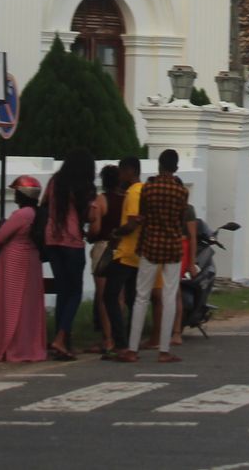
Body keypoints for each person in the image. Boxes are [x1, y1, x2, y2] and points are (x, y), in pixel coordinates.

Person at [119, 149, 192, 363]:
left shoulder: (148, 189)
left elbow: (142, 216)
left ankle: (132, 350)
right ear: (176, 168)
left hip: (150, 245)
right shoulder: (182, 192)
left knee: (141, 296)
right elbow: (180, 220)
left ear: (158, 165)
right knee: (169, 297)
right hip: (172, 247)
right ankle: (164, 350)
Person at [38, 150, 94, 361]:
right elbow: (87, 215)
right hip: (72, 241)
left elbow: (43, 204)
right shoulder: (83, 186)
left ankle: (60, 341)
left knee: (62, 291)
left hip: (52, 239)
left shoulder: (55, 181)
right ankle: (61, 338)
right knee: (75, 292)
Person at [0, 175, 46, 363]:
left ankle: (10, 345)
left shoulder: (21, 215)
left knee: (11, 305)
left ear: (23, 194)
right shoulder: (37, 214)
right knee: (29, 306)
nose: (14, 196)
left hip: (14, 262)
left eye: (16, 192)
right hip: (32, 261)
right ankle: (28, 345)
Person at [103, 156, 143, 361]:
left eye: (121, 172)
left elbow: (133, 223)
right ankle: (130, 343)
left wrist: (116, 233)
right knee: (131, 299)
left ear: (129, 171)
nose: (119, 176)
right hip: (135, 254)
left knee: (110, 296)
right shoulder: (138, 191)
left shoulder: (135, 192)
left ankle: (121, 343)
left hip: (126, 253)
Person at [88, 164, 124, 356]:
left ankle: (108, 338)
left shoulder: (101, 201)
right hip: (122, 249)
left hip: (103, 248)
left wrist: (89, 235)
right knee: (119, 296)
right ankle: (120, 337)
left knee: (103, 297)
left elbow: (95, 229)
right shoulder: (125, 200)